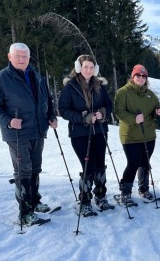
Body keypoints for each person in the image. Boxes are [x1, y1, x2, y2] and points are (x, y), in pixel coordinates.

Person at [0, 43, 57, 226]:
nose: (21, 59)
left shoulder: (37, 76)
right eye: (17, 56)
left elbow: (47, 100)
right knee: (23, 170)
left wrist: (51, 116)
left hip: (38, 130)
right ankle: (25, 212)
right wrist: (8, 121)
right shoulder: (1, 78)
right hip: (17, 133)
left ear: (29, 58)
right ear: (9, 57)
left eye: (24, 56)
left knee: (35, 168)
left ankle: (34, 200)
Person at [58, 54, 114, 216]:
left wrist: (102, 113)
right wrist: (84, 117)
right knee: (88, 166)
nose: (88, 70)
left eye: (91, 67)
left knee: (100, 164)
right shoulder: (71, 87)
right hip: (80, 133)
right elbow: (63, 110)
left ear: (95, 69)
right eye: (85, 67)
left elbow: (108, 105)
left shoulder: (100, 86)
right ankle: (84, 200)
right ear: (78, 68)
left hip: (100, 131)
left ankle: (101, 196)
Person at [114, 64, 160, 204]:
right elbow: (119, 111)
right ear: (132, 76)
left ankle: (143, 189)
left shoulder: (150, 94)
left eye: (143, 76)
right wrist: (133, 119)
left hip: (148, 134)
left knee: (145, 162)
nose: (141, 78)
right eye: (138, 75)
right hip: (130, 135)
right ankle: (125, 192)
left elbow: (156, 107)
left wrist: (158, 112)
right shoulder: (123, 92)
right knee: (133, 163)